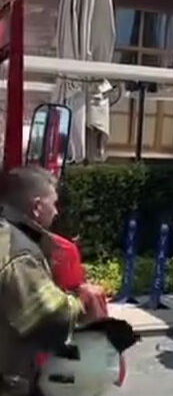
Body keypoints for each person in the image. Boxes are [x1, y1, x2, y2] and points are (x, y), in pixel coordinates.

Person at [0, 167, 106, 396]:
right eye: (53, 203)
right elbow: (50, 316)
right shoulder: (18, 251)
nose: (57, 211)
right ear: (37, 207)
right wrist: (83, 300)